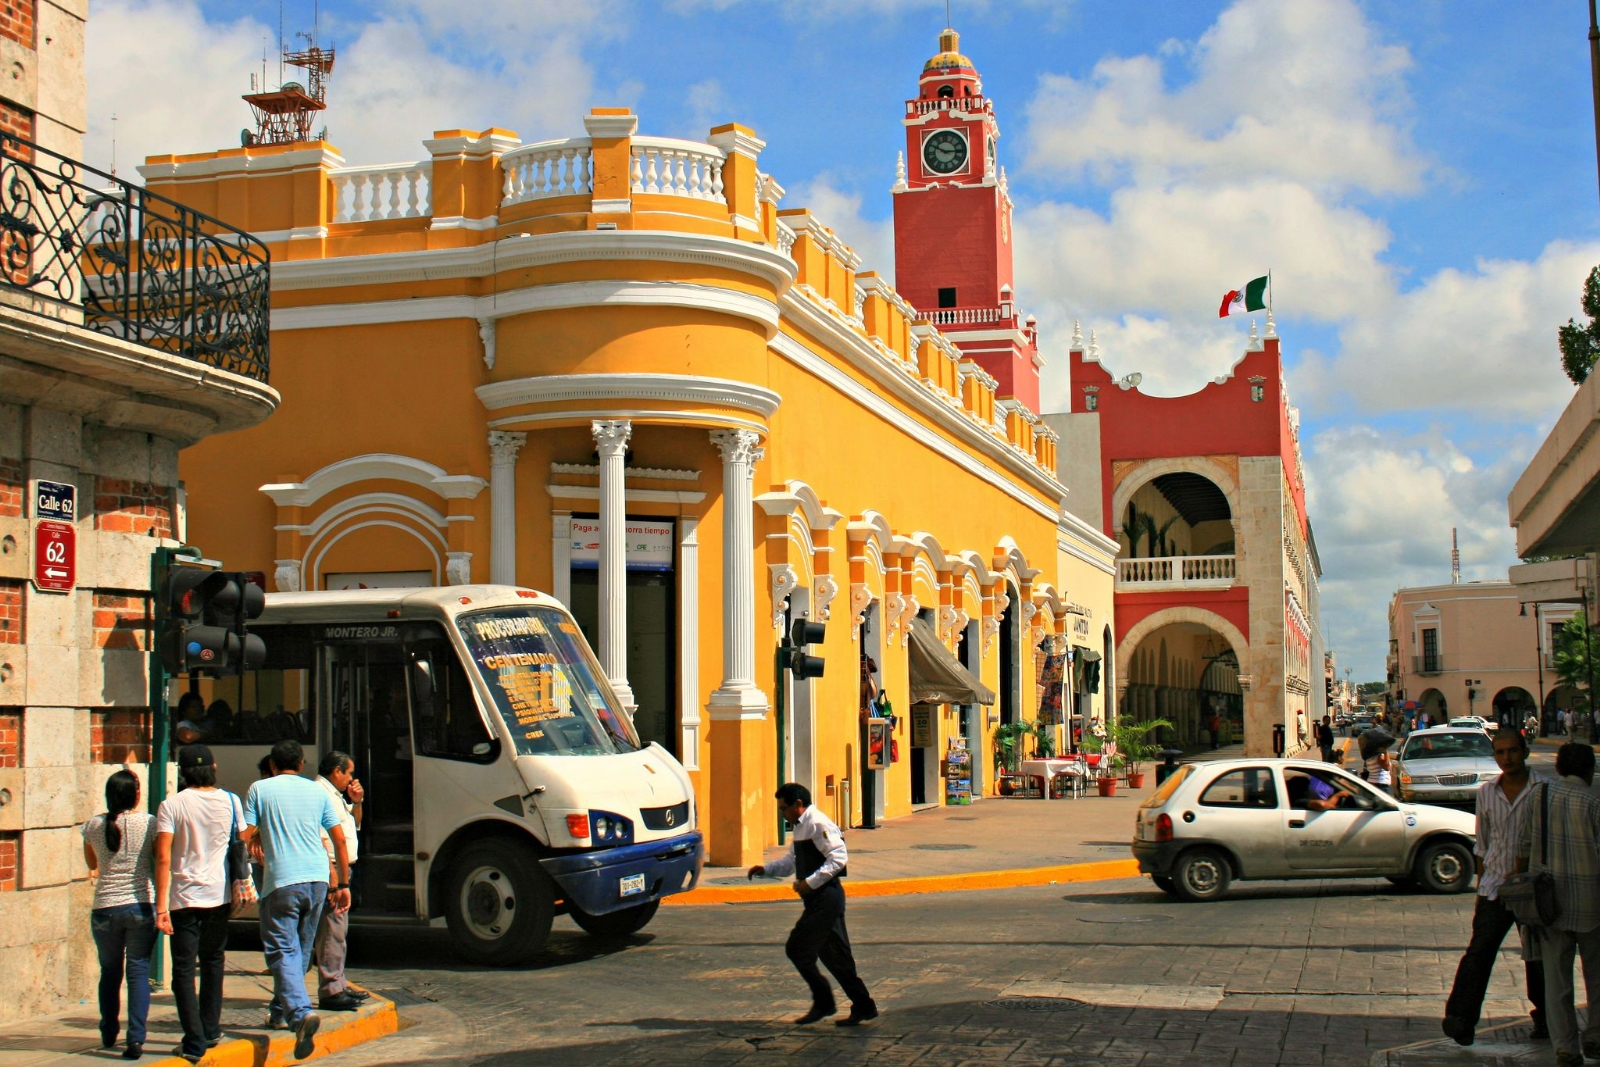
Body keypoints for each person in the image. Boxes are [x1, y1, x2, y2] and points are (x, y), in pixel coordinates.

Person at [241, 739, 351, 1061]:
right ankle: (280, 1010)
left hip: (281, 880)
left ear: (273, 766)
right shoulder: (318, 791)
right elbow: (339, 839)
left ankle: (300, 1014)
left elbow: (244, 835)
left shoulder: (260, 790)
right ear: (301, 764)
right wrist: (341, 882)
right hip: (317, 879)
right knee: (301, 951)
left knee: (281, 950)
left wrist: (250, 848)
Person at [1441, 730, 1547, 1045]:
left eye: (1513, 751)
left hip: (1532, 888)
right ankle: (1460, 1019)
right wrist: (1480, 885)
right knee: (1479, 953)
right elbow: (1482, 844)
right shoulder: (1487, 792)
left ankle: (1545, 1018)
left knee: (1537, 957)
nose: (1507, 758)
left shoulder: (1543, 789)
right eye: (1500, 753)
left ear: (1525, 752)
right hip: (1495, 888)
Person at [746, 783, 877, 1027]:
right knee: (836, 956)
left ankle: (825, 1002)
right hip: (819, 898)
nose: (782, 813)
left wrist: (810, 883)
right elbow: (792, 861)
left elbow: (838, 858)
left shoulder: (818, 823)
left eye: (784, 808)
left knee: (797, 948)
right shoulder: (800, 827)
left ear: (798, 804)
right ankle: (864, 1005)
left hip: (827, 897)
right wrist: (766, 869)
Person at [154, 745, 245, 1064]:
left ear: (182, 772)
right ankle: (210, 1029)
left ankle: (193, 1040)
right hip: (219, 895)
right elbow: (242, 840)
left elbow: (163, 856)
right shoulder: (232, 801)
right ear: (215, 767)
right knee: (213, 961)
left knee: (183, 968)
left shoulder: (171, 805)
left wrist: (160, 906)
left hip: (182, 897)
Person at [1517, 742, 1600, 1065]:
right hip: (1591, 902)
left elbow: (1523, 845)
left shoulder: (1538, 797)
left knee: (1556, 979)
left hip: (1548, 903)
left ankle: (1565, 1046)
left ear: (1561, 768)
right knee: (1595, 975)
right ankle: (1595, 1036)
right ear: (1588, 770)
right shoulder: (1593, 801)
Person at [83, 769, 156, 1060]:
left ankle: (108, 1029)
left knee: (109, 972)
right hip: (140, 904)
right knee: (138, 971)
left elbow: (91, 863)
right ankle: (135, 1039)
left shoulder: (92, 825)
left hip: (104, 907)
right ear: (135, 795)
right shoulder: (149, 823)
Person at [313, 751, 368, 1011]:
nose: (350, 778)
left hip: (343, 868)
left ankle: (338, 981)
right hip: (334, 869)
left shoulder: (335, 796)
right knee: (332, 930)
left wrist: (356, 802)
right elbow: (326, 840)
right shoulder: (321, 794)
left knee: (338, 930)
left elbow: (352, 826)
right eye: (348, 773)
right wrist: (337, 878)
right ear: (336, 771)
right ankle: (331, 988)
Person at [1285, 770, 1356, 811]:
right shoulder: (1300, 801)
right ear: (1303, 790)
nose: (1310, 789)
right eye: (1307, 787)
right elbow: (1322, 805)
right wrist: (1337, 796)